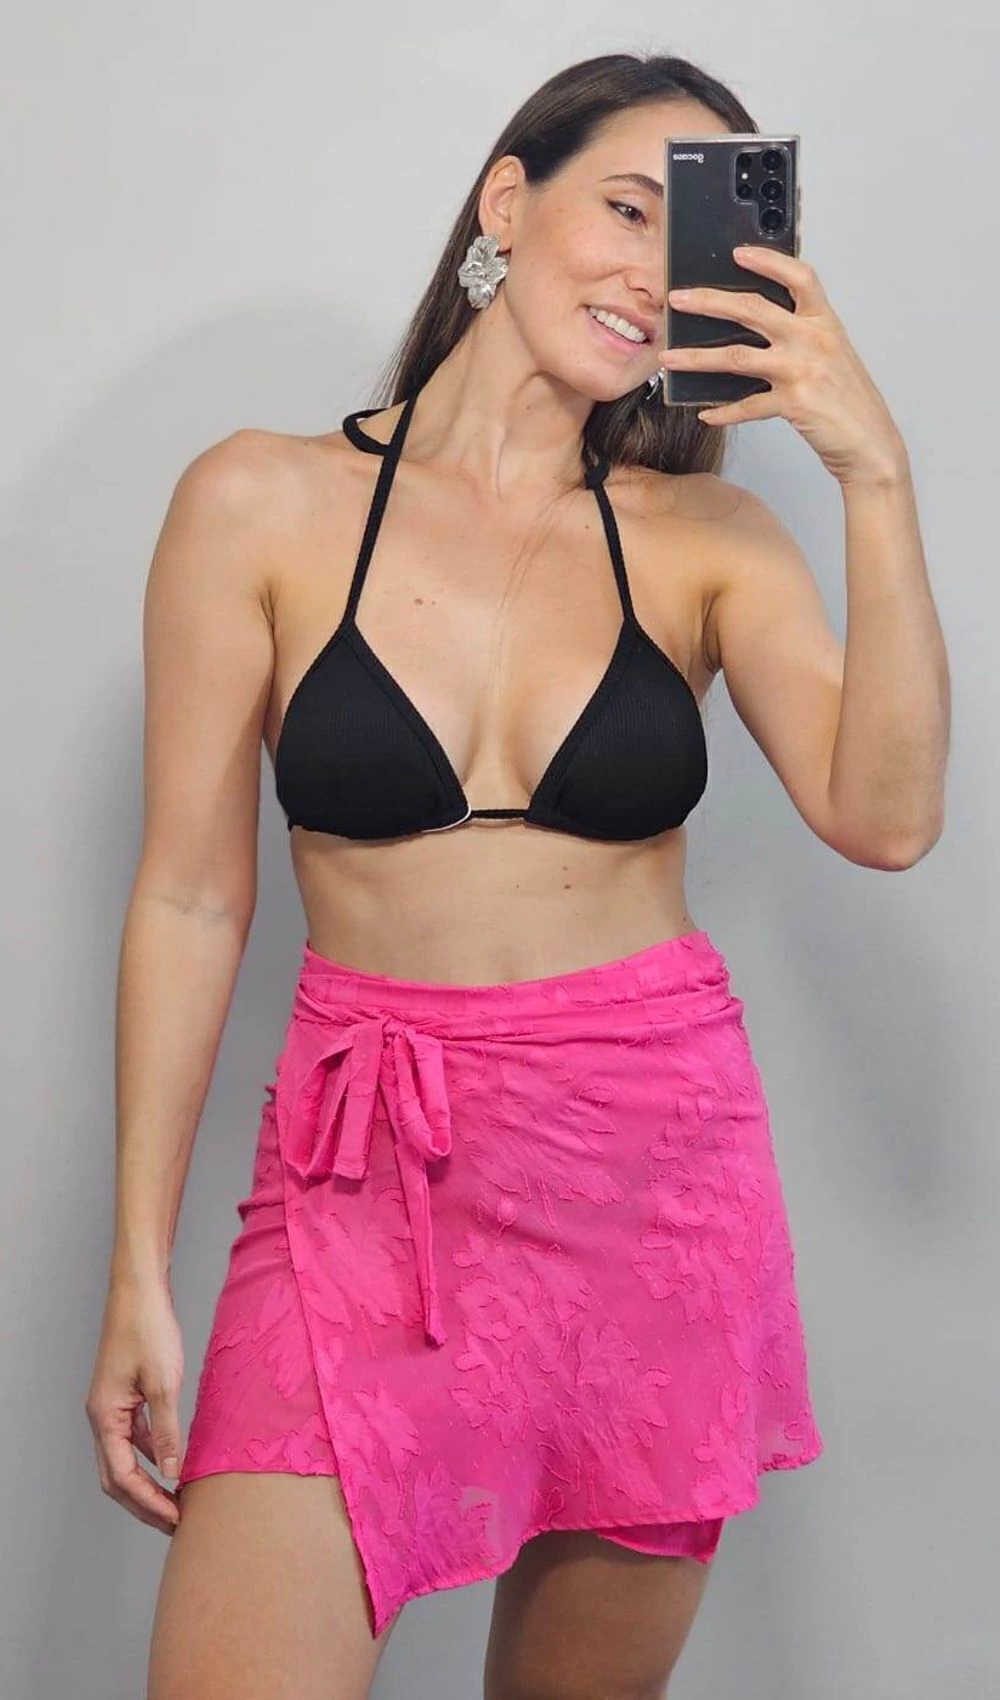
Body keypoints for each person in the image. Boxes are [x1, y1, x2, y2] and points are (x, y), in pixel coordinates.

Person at [85, 49, 947, 1700]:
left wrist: (874, 474)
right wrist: (136, 1260)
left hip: (652, 1194)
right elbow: (192, 898)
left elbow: (887, 816)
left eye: (691, 241)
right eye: (624, 209)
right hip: (361, 1187)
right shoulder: (257, 501)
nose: (650, 274)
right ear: (506, 201)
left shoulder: (707, 541)